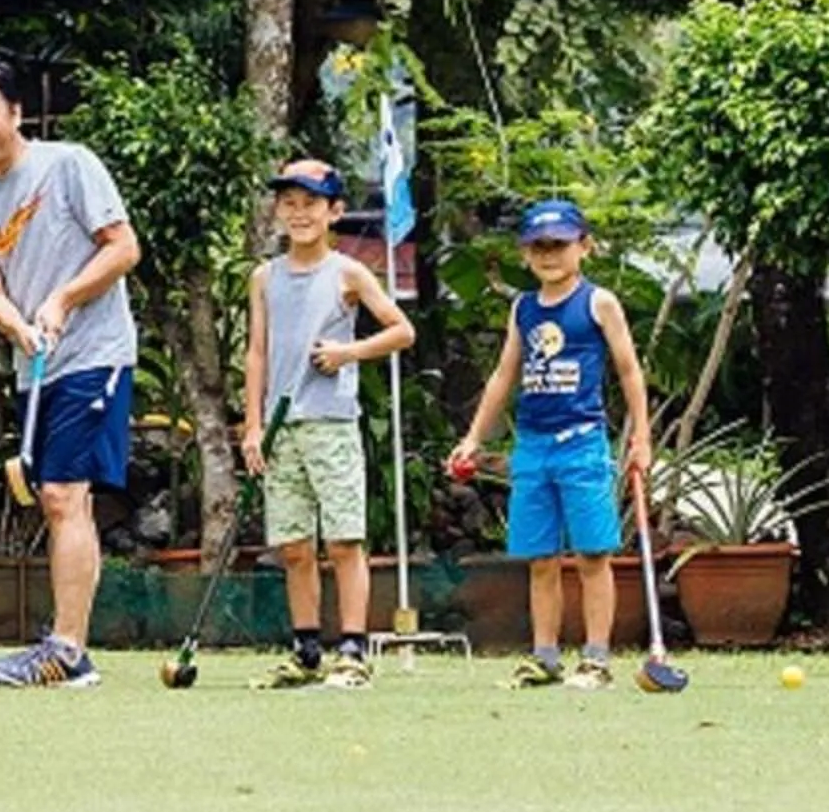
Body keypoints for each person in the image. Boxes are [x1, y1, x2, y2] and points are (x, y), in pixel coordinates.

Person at [0, 54, 142, 688]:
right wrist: (17, 324)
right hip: (36, 365)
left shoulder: (70, 165)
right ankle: (66, 649)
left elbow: (123, 247)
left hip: (95, 353)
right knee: (56, 502)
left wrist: (61, 300)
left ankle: (67, 652)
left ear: (16, 114)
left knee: (63, 494)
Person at [442, 198, 652, 689]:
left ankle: (596, 658)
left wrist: (641, 436)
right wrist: (474, 437)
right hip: (533, 447)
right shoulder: (525, 307)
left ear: (584, 246)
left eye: (559, 244)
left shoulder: (599, 302)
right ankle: (545, 656)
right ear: (524, 254)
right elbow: (503, 375)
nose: (548, 254)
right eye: (538, 246)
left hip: (581, 442)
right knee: (540, 558)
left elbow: (628, 369)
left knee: (592, 554)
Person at [243, 159, 416, 689]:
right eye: (289, 203)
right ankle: (306, 648)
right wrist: (252, 426)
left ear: (334, 211)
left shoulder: (348, 271)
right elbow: (257, 352)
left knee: (343, 540)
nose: (298, 214)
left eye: (310, 203)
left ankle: (353, 649)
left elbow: (401, 331)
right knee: (294, 546)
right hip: (281, 426)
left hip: (332, 421)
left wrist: (348, 352)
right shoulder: (265, 276)